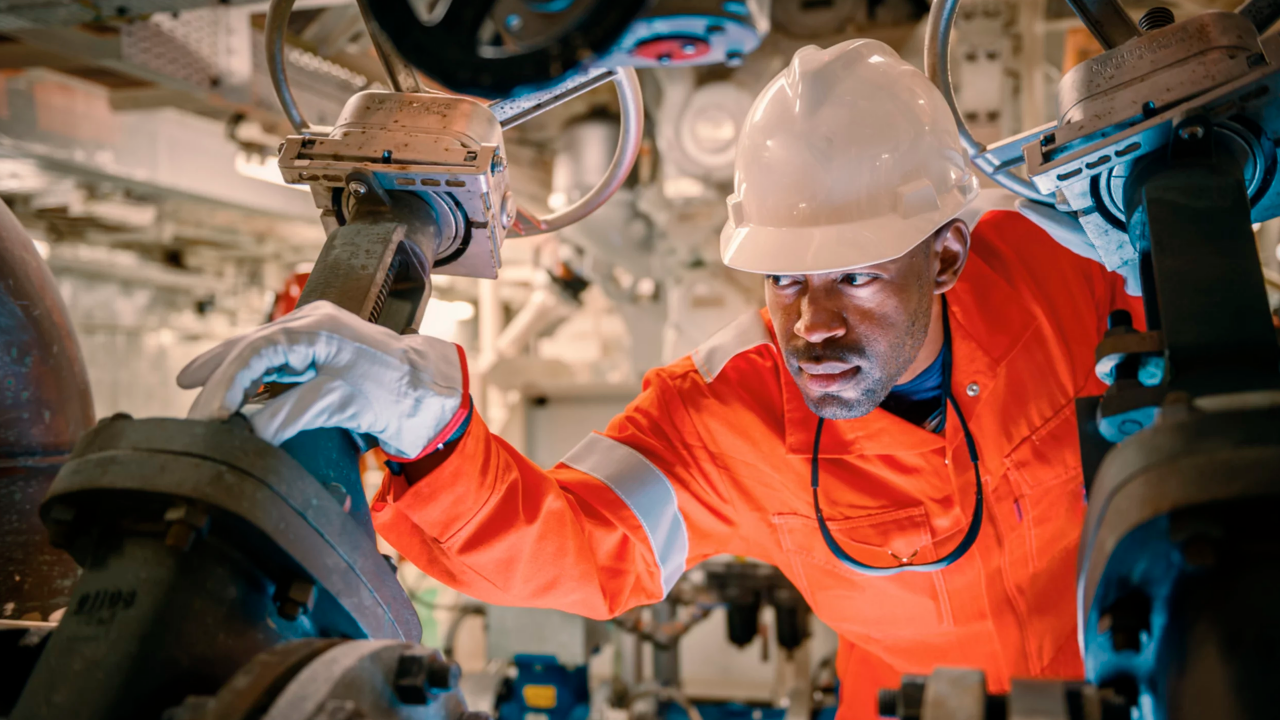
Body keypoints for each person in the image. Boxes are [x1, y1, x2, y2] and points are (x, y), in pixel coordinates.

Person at [178, 39, 1143, 720]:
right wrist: (430, 432)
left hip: (1147, 685)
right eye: (784, 280)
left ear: (945, 255)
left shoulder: (1066, 267)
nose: (812, 324)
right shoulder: (729, 410)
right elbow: (575, 539)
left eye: (854, 276)